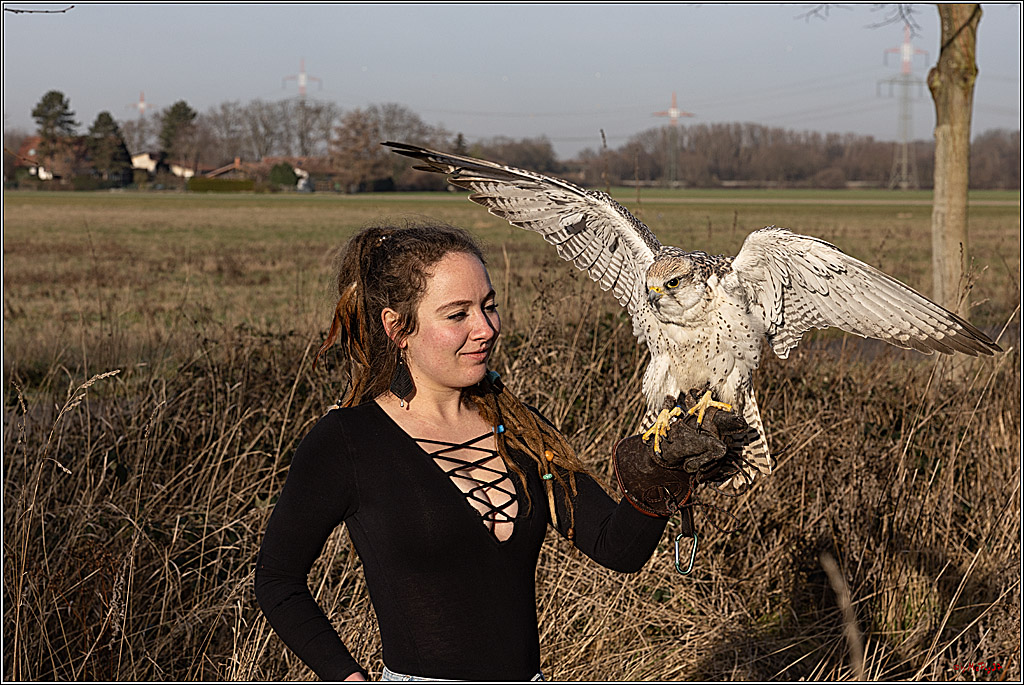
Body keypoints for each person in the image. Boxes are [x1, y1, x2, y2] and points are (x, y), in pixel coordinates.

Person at [254, 221, 733, 681]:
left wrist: (660, 473)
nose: (485, 328)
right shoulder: (347, 441)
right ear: (398, 328)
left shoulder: (522, 430)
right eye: (457, 314)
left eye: (489, 306)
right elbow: (278, 580)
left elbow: (616, 548)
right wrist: (346, 676)